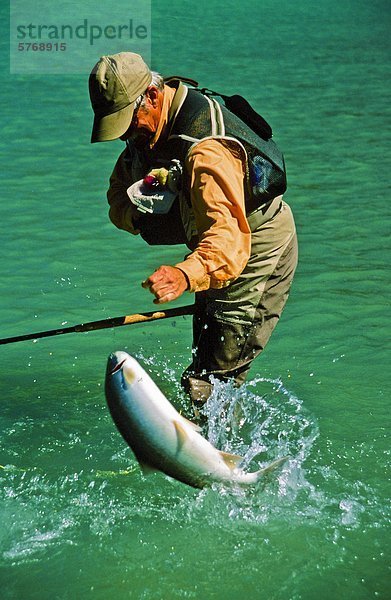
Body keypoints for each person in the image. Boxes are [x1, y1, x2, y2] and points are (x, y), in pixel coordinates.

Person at [89, 52, 298, 411]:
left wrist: (184, 275)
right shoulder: (147, 129)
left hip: (254, 247)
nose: (126, 134)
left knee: (210, 382)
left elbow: (228, 240)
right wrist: (144, 215)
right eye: (118, 127)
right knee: (204, 364)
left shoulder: (207, 152)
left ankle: (224, 460)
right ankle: (205, 441)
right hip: (209, 250)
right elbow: (116, 195)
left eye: (128, 122)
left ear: (152, 96)